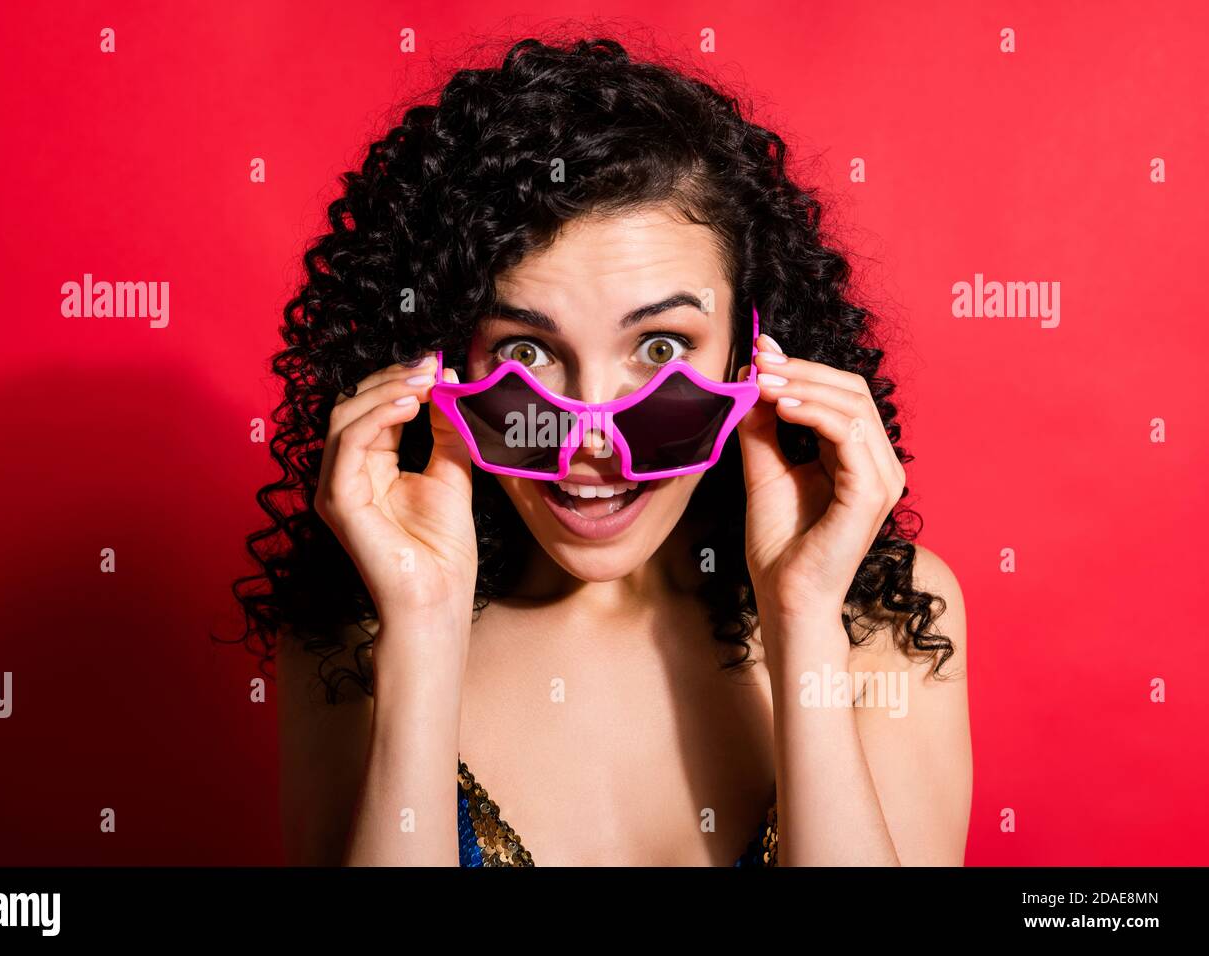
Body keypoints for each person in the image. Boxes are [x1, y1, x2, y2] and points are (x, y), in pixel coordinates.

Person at [232, 36, 972, 866]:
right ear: (436, 361)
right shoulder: (355, 632)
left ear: (751, 352)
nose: (591, 439)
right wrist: (421, 627)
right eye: (526, 353)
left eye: (660, 348)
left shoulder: (885, 618)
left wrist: (804, 625)